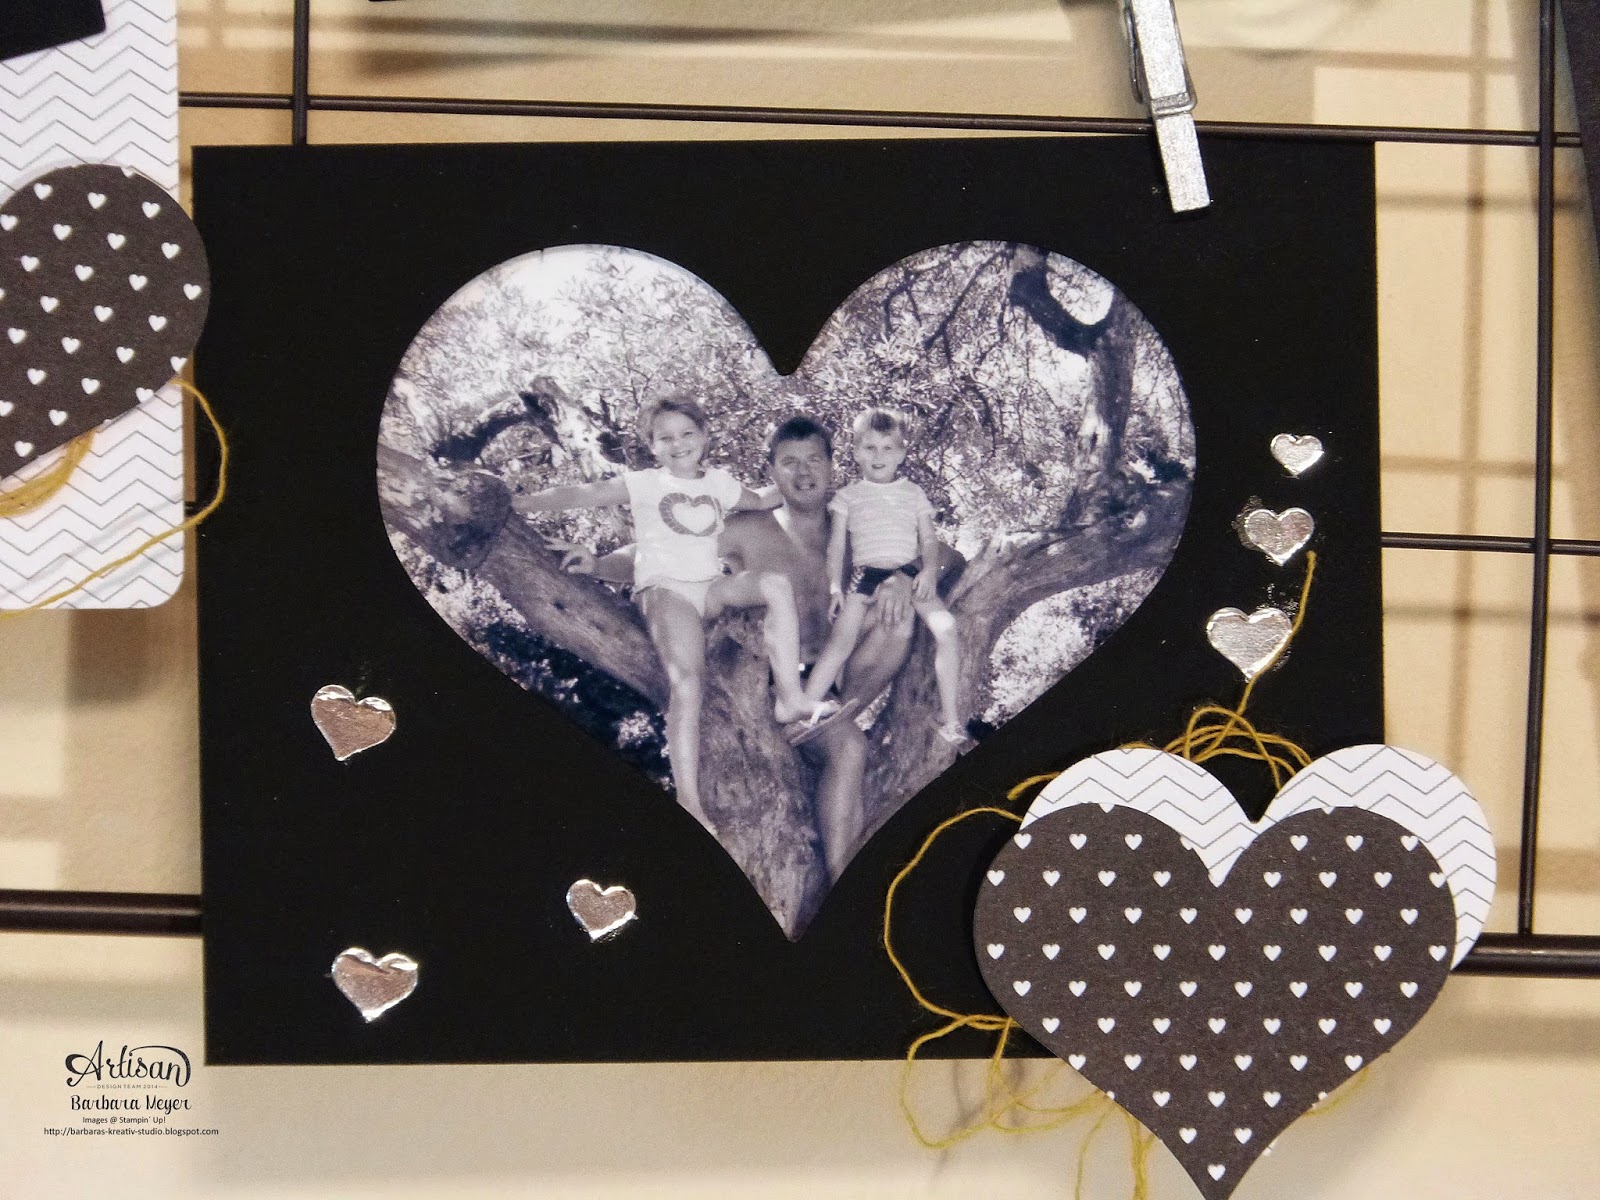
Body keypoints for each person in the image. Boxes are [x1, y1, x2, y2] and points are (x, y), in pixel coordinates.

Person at [553, 415, 920, 881]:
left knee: (899, 614)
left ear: (832, 466)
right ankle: (845, 885)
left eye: (814, 459)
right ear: (771, 471)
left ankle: (834, 714)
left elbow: (944, 557)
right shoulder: (748, 527)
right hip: (773, 681)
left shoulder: (856, 524)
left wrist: (904, 577)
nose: (804, 472)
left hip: (836, 679)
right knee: (849, 749)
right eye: (789, 462)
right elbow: (660, 552)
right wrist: (598, 563)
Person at [511, 395, 837, 829]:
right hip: (666, 592)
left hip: (709, 588)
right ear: (651, 445)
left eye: (687, 433)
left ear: (704, 436)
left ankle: (791, 698)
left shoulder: (719, 483)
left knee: (776, 584)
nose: (678, 443)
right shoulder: (646, 483)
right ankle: (688, 800)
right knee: (687, 683)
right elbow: (583, 494)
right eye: (665, 437)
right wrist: (519, 505)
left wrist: (817, 479)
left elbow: (762, 499)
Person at [803, 407, 966, 745]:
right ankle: (803, 711)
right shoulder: (848, 496)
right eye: (870, 447)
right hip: (866, 576)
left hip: (909, 575)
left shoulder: (913, 493)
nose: (878, 456)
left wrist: (928, 573)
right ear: (856, 452)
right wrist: (835, 587)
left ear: (902, 453)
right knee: (840, 643)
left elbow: (929, 539)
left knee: (948, 630)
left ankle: (951, 719)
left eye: (888, 448)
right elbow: (836, 546)